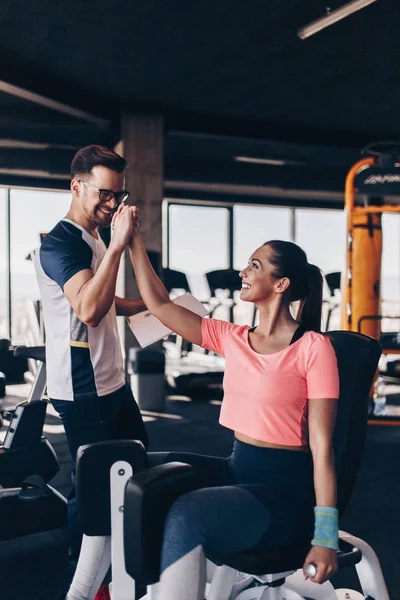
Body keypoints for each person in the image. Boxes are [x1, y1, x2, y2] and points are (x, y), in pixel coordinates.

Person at [65, 205, 340, 600]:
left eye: (254, 265)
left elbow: (324, 447)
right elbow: (159, 306)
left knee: (188, 513)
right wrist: (131, 240)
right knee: (111, 468)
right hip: (237, 468)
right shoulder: (233, 337)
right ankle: (84, 593)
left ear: (280, 284)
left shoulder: (315, 349)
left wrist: (325, 536)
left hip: (283, 492)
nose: (243, 272)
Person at [34, 147, 149, 582]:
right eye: (104, 194)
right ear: (76, 186)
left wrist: (158, 309)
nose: (112, 204)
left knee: (137, 465)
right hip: (83, 390)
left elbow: (108, 300)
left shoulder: (95, 237)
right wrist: (120, 245)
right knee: (94, 489)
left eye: (118, 196)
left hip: (112, 382)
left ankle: (123, 561)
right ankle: (83, 580)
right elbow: (87, 308)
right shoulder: (59, 244)